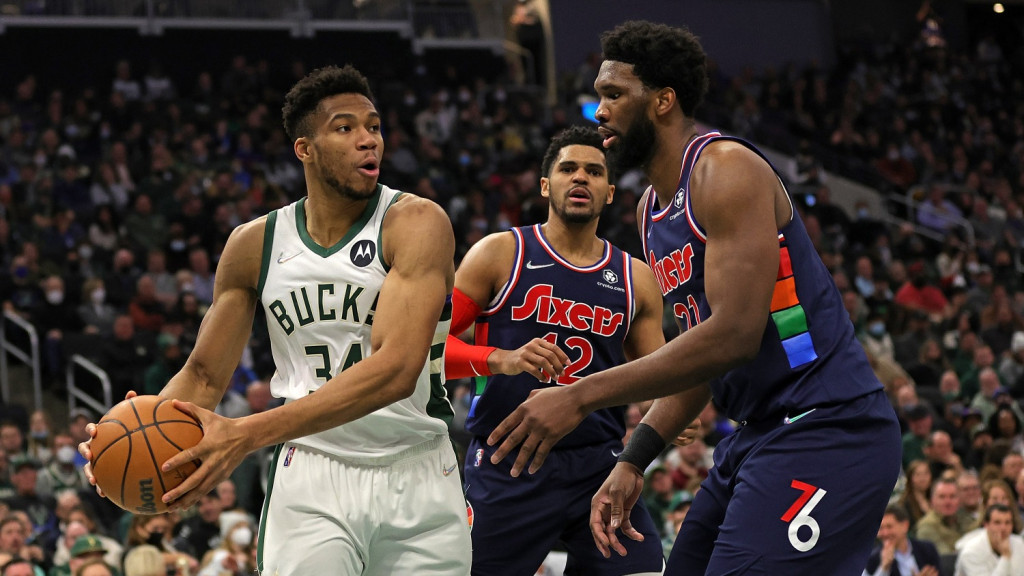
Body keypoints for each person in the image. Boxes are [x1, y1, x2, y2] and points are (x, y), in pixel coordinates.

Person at [484, 20, 902, 574]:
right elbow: (698, 358)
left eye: (613, 95)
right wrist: (634, 459)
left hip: (830, 426)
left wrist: (579, 396)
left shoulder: (724, 170)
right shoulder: (651, 211)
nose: (599, 112)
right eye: (597, 97)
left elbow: (732, 335)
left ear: (663, 101)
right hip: (759, 435)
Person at [80, 64, 471, 575]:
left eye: (373, 126)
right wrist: (138, 433)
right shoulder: (254, 244)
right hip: (313, 475)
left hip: (419, 469)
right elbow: (202, 376)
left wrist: (246, 432)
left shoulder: (416, 222)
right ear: (304, 149)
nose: (367, 140)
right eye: (345, 127)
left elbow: (395, 370)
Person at [444, 126, 668, 574]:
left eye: (594, 171)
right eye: (568, 169)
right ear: (546, 185)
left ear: (608, 192)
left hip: (599, 465)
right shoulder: (500, 253)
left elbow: (658, 374)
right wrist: (498, 359)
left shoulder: (635, 277)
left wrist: (671, 415)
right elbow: (425, 347)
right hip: (508, 461)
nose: (580, 178)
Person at [862, 504, 940, 576]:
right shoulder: (872, 560)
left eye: (889, 527)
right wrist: (884, 567)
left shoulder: (927, 549)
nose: (885, 533)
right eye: (881, 528)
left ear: (905, 526)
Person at [954, 504, 1024, 575]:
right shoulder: (971, 552)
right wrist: (1005, 556)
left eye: (1007, 522)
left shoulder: (1018, 543)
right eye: (997, 523)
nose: (1003, 528)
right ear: (986, 525)